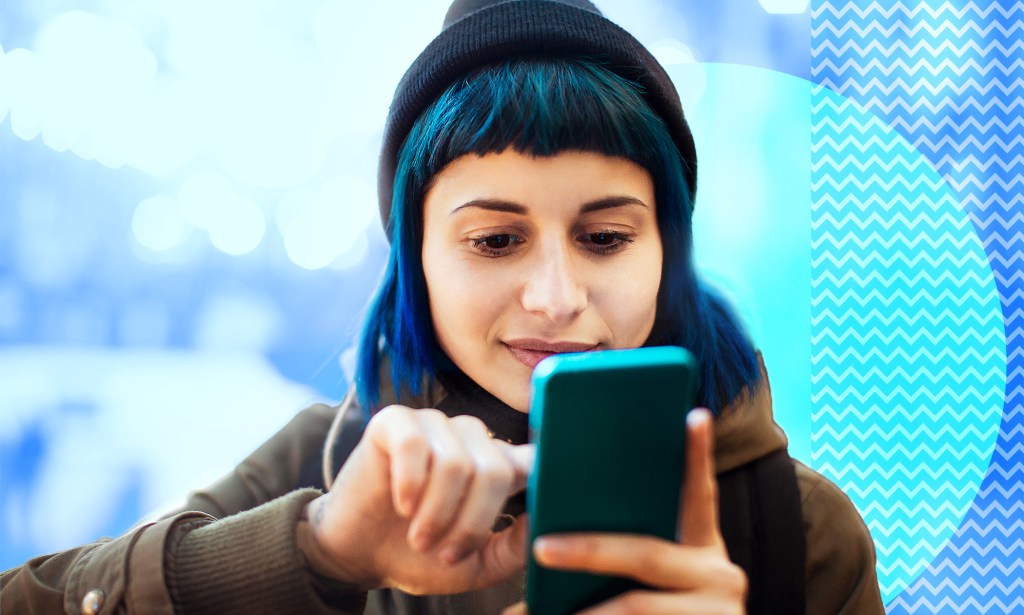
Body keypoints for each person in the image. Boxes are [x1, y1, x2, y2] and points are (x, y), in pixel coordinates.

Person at [1, 1, 885, 613]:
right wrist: (318, 552)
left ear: (668, 253)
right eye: (495, 240)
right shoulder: (318, 469)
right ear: (416, 261)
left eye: (605, 237)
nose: (556, 297)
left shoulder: (798, 527)